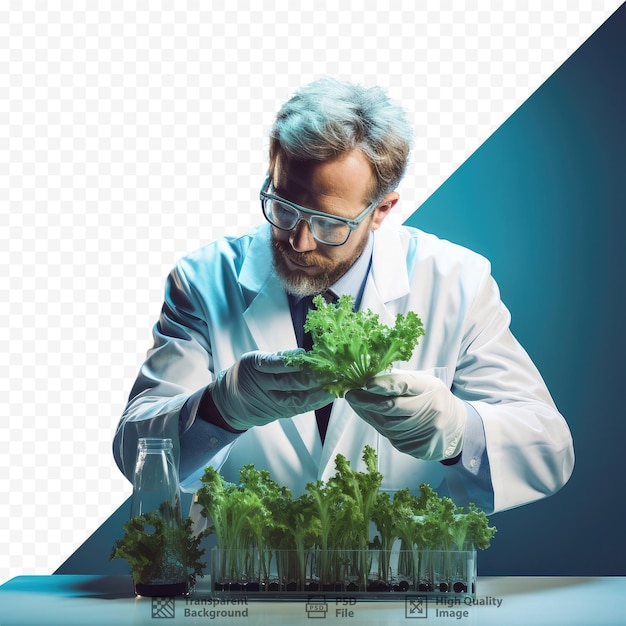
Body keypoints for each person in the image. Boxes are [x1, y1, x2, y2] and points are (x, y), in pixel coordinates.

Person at [113, 77, 574, 520]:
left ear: (382, 211)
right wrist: (221, 407)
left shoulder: (457, 281)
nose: (299, 241)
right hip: (247, 587)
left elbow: (550, 452)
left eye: (329, 223)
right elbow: (133, 448)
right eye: (283, 207)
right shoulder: (203, 279)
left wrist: (456, 430)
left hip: (398, 584)